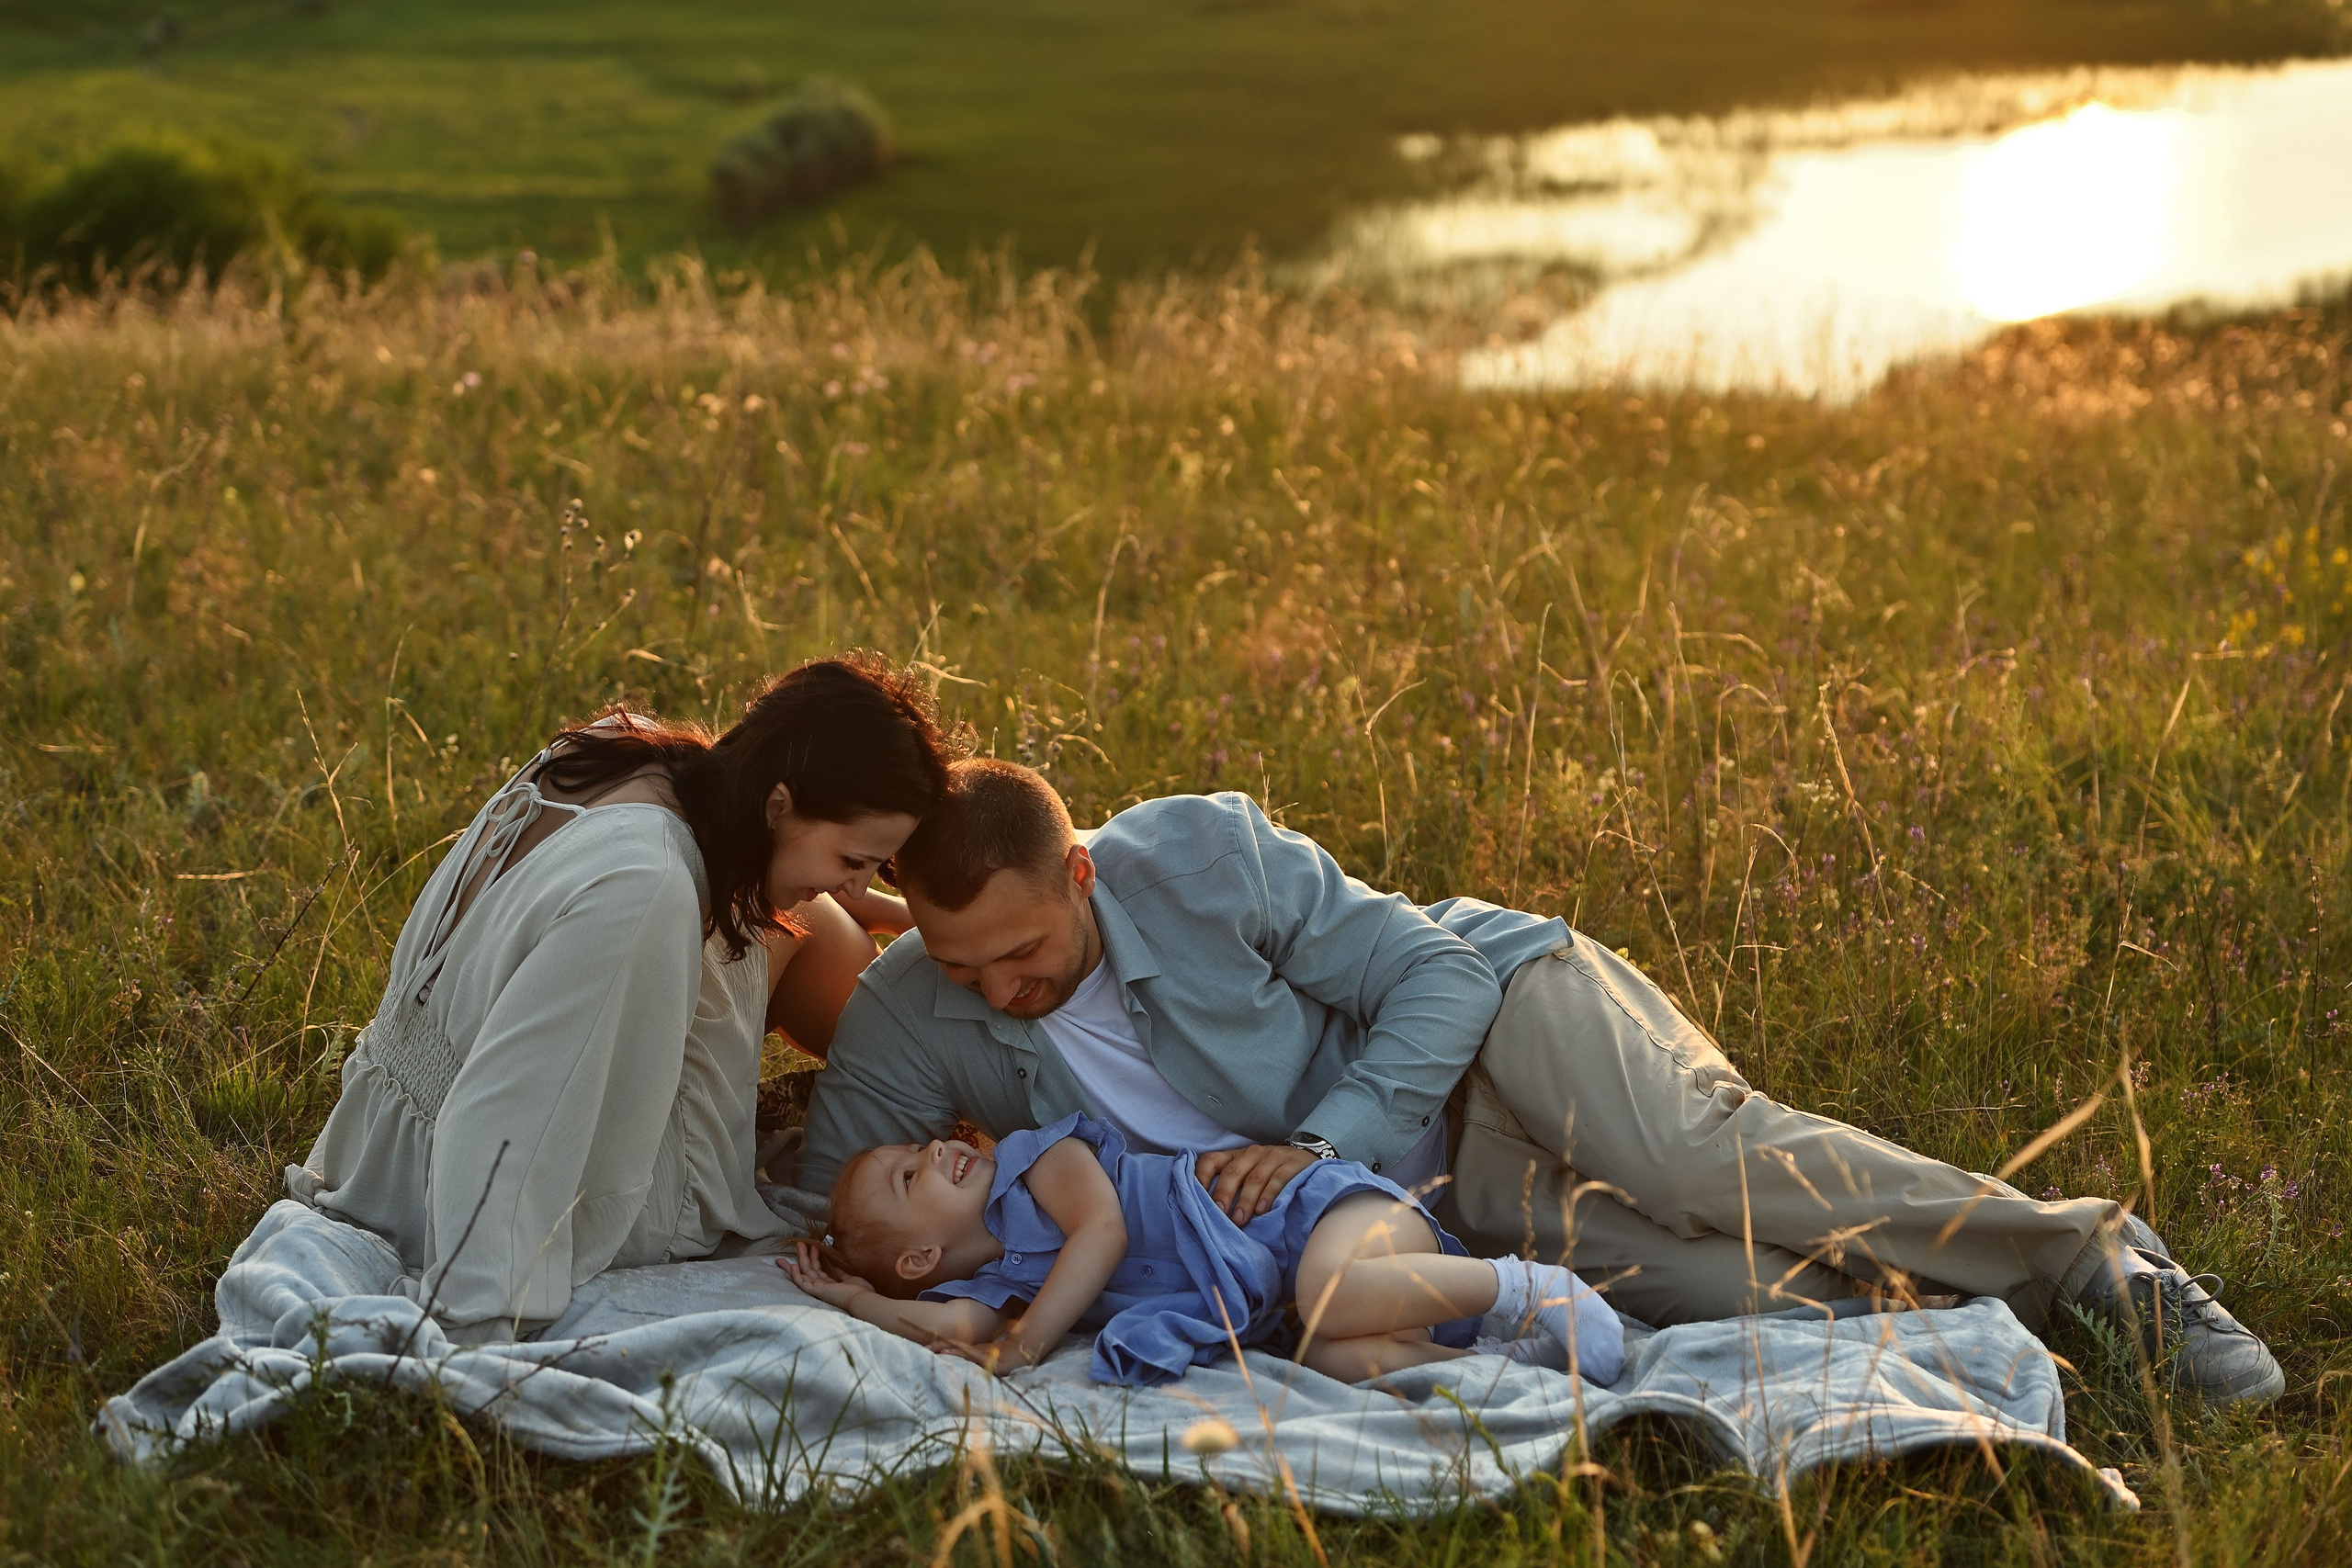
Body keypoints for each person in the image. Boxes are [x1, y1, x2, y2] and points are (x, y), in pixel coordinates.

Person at [783, 758, 2285, 1405]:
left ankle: (2096, 1248)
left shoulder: (1196, 853)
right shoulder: (925, 1008)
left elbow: (1427, 979)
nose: (999, 987)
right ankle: (2022, 1318)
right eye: (963, 964)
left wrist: (1321, 1138)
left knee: (1708, 1163)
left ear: (1082, 874)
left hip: (1500, 1016)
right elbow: (835, 1187)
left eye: (1025, 950)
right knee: (1732, 1290)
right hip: (1435, 1201)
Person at [286, 654, 965, 1343]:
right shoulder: (647, 886)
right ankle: (961, 1111)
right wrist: (477, 1317)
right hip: (451, 1198)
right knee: (819, 928)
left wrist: (860, 897)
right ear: (779, 803)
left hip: (372, 1137)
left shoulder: (623, 748)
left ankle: (928, 1053)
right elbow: (505, 1114)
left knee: (815, 921)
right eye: (853, 861)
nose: (850, 882)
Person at [780, 1112, 1623, 1388]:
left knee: (1329, 1291)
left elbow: (1102, 1232)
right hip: (1302, 1296)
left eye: (917, 1146)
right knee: (1330, 1351)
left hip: (1313, 1213)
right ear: (922, 1258)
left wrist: (1030, 1342)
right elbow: (957, 1324)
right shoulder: (999, 1282)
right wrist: (855, 1300)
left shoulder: (1038, 1161)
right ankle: (1508, 1368)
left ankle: (1527, 1284)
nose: (932, 1151)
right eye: (906, 1176)